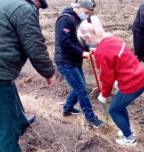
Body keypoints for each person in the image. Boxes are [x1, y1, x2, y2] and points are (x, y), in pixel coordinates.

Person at [77, 16, 144, 147]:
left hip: (132, 84)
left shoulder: (101, 53)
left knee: (113, 111)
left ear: (87, 37)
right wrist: (118, 80)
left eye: (84, 39)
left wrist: (103, 95)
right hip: (140, 77)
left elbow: (107, 78)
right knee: (120, 106)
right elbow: (123, 61)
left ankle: (130, 139)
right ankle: (127, 130)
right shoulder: (113, 39)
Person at [0, 0, 57, 151]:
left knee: (9, 89)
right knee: (5, 129)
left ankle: (20, 121)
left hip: (3, 71)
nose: (36, 10)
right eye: (38, 7)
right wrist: (49, 73)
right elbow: (35, 45)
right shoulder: (25, 8)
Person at [54, 0, 105, 128]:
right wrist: (81, 53)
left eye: (89, 13)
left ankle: (68, 108)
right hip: (65, 61)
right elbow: (64, 42)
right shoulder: (65, 19)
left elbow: (77, 40)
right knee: (82, 90)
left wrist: (88, 48)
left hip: (73, 59)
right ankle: (91, 119)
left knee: (80, 87)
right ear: (77, 7)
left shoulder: (76, 20)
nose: (87, 16)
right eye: (86, 12)